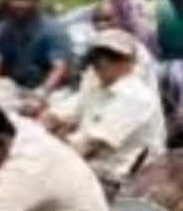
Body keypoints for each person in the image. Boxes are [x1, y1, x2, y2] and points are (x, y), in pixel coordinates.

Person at [42, 30, 166, 190]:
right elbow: (53, 115)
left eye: (114, 56)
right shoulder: (95, 85)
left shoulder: (136, 96)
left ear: (130, 62)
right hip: (92, 166)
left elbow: (92, 144)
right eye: (97, 55)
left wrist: (45, 154)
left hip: (122, 177)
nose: (103, 61)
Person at [0, 0, 74, 109]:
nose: (20, 4)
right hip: (15, 89)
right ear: (6, 0)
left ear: (36, 0)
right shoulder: (0, 31)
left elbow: (60, 69)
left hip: (51, 90)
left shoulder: (53, 29)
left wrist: (41, 94)